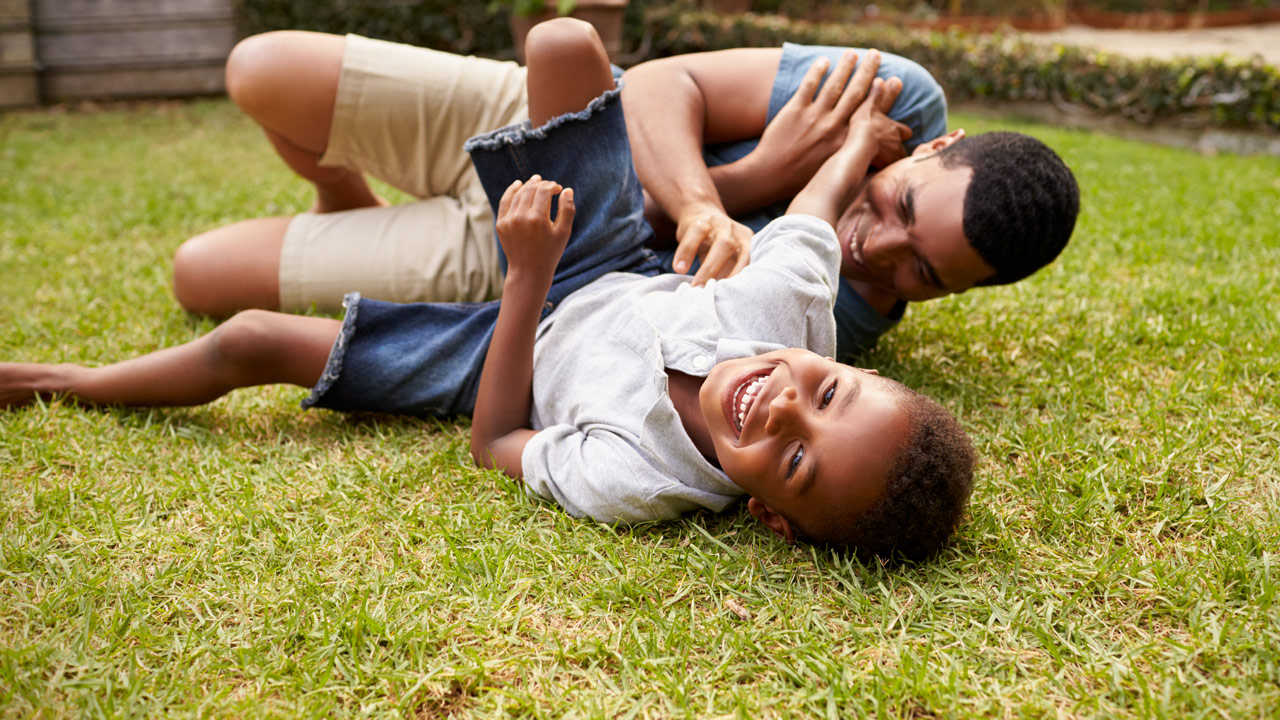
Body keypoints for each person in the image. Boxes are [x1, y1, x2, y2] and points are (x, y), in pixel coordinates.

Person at [1, 19, 974, 559]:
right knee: (559, 44)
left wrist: (527, 280)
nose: (784, 403)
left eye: (793, 460)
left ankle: (67, 383)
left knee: (250, 339)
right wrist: (851, 146)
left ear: (765, 513)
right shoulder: (794, 315)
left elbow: (495, 440)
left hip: (506, 345)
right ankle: (347, 193)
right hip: (607, 256)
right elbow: (811, 211)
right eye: (828, 389)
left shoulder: (642, 483)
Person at [174, 30, 1043, 358]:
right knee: (260, 68)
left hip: (524, 247)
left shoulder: (837, 320)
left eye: (920, 275)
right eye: (898, 205)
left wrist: (754, 180)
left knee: (199, 276)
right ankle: (343, 197)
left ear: (954, 293)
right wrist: (709, 209)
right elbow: (663, 88)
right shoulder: (891, 94)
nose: (874, 251)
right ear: (937, 145)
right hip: (542, 117)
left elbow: (625, 273)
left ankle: (367, 228)